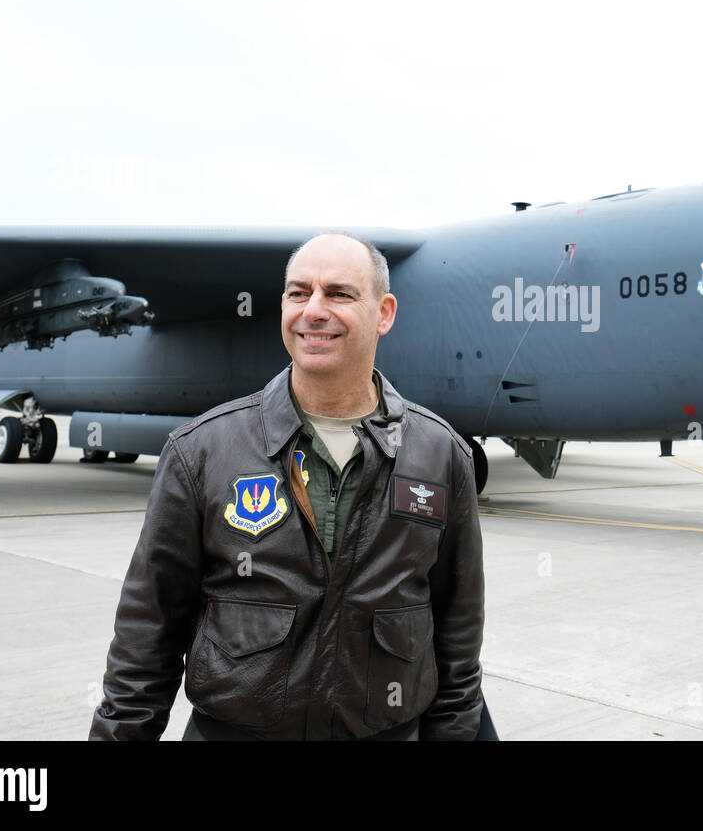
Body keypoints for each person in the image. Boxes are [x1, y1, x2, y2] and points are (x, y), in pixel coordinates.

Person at [90, 232, 485, 740]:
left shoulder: (439, 455)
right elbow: (148, 632)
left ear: (384, 313)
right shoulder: (203, 450)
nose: (314, 311)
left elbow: (458, 637)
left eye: (339, 294)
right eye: (299, 293)